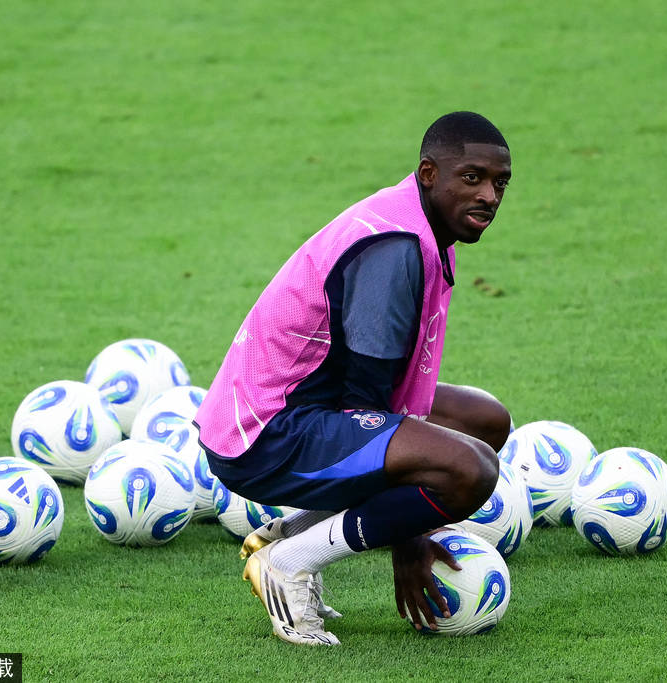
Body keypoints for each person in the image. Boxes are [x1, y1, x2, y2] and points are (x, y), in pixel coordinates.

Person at [193, 111, 513, 646]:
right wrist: (410, 536)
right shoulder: (395, 247)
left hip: (307, 407)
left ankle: (292, 531)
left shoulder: (425, 227)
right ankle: (290, 562)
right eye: (472, 178)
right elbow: (369, 399)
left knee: (484, 423)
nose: (489, 196)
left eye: (500, 183)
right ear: (429, 174)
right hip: (266, 434)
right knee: (469, 472)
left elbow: (387, 391)